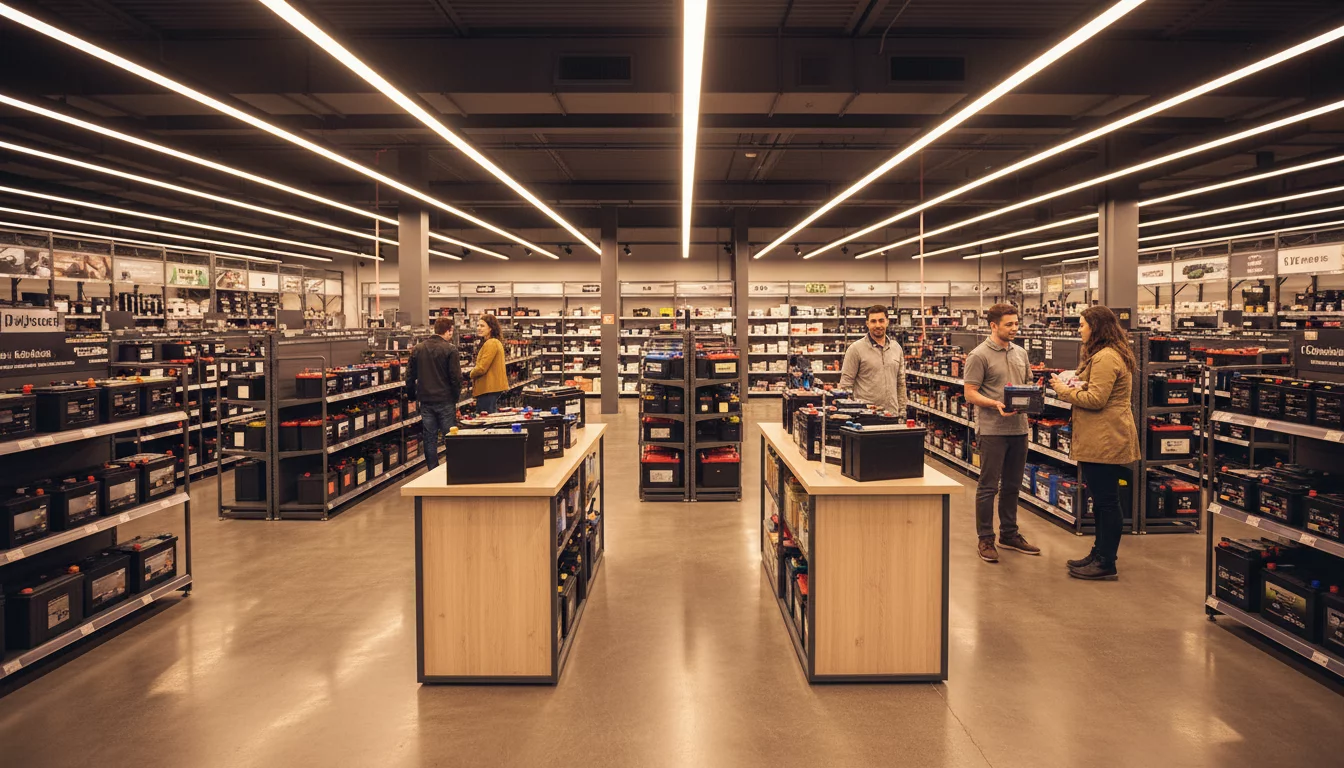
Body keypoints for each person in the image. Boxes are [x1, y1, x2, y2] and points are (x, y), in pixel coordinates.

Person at [1050, 305, 1141, 581]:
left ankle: (1106, 561)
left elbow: (1096, 399)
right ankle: (1098, 552)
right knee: (1101, 501)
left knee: (1107, 501)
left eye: (1082, 325)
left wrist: (1064, 390)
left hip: (1106, 438)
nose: (1079, 330)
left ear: (1096, 328)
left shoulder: (1106, 358)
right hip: (1101, 436)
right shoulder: (1106, 355)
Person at [963, 303, 1040, 563]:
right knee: (988, 486)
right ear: (993, 325)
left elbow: (1027, 383)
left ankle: (1009, 533)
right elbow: (970, 392)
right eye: (1009, 324)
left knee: (1012, 486)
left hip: (1019, 429)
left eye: (1016, 323)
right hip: (992, 430)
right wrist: (995, 403)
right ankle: (985, 538)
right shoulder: (979, 355)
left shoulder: (1020, 352)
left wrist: (1033, 397)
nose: (1014, 328)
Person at [407, 317, 462, 471]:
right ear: (449, 330)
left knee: (429, 438)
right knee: (450, 437)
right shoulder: (451, 350)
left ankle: (432, 470)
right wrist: (455, 397)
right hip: (445, 400)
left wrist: (411, 396)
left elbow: (410, 376)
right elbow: (456, 378)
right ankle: (454, 470)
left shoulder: (418, 349)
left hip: (425, 400)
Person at [839, 304, 906, 414]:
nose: (878, 325)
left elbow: (901, 382)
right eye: (873, 321)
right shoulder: (855, 349)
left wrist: (902, 411)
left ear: (887, 322)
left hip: (892, 414)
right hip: (865, 416)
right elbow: (845, 385)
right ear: (867, 323)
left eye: (881, 320)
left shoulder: (896, 348)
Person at [470, 313, 508, 413]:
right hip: (491, 388)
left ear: (490, 328)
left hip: (488, 388)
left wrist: (470, 374)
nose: (479, 328)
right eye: (478, 325)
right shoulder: (494, 342)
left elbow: (482, 367)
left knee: (485, 419)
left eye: (482, 326)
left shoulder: (491, 343)